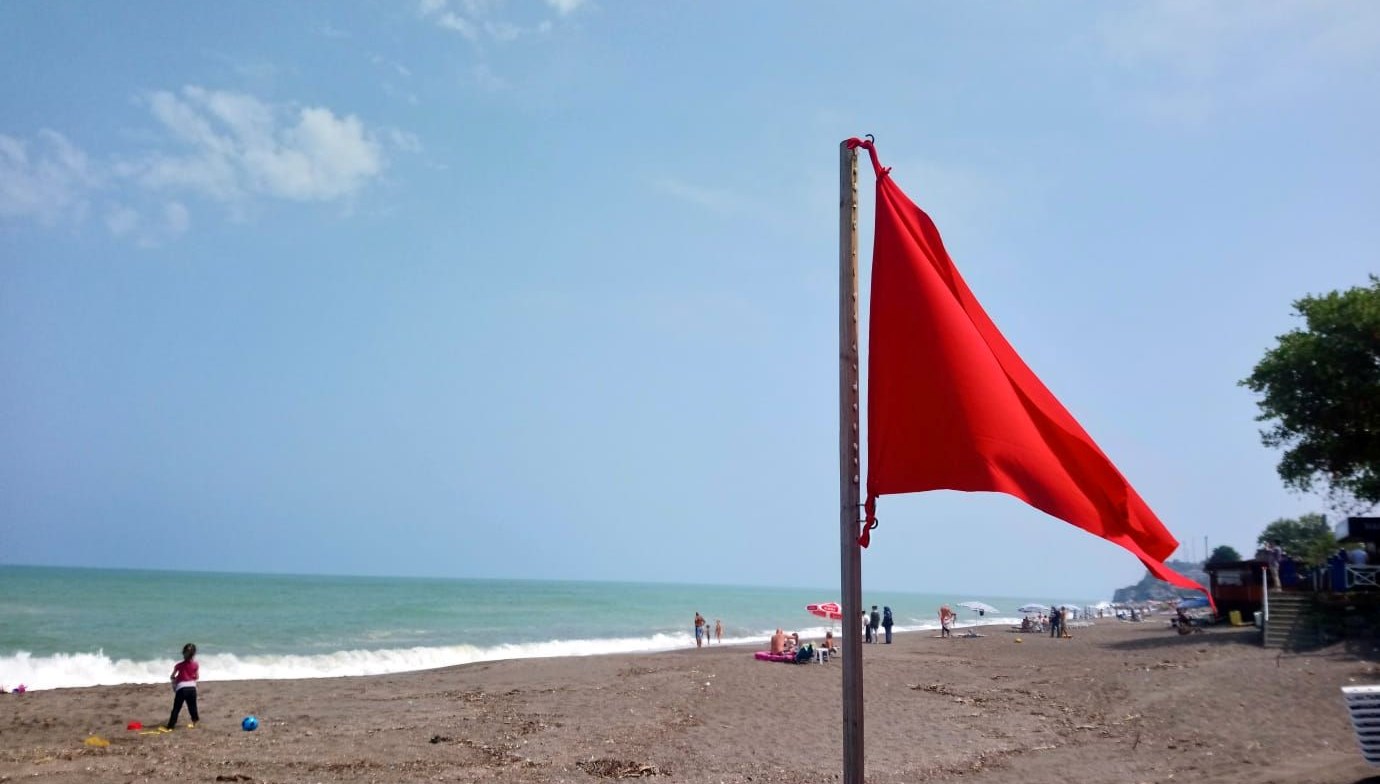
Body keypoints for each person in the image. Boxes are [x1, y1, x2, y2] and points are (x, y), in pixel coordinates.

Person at [166, 643, 199, 730]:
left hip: (182, 689)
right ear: (194, 654)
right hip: (192, 688)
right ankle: (195, 722)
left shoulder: (178, 665)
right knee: (192, 706)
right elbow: (196, 677)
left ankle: (171, 726)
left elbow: (172, 676)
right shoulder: (195, 665)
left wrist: (175, 679)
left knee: (176, 708)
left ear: (183, 653)